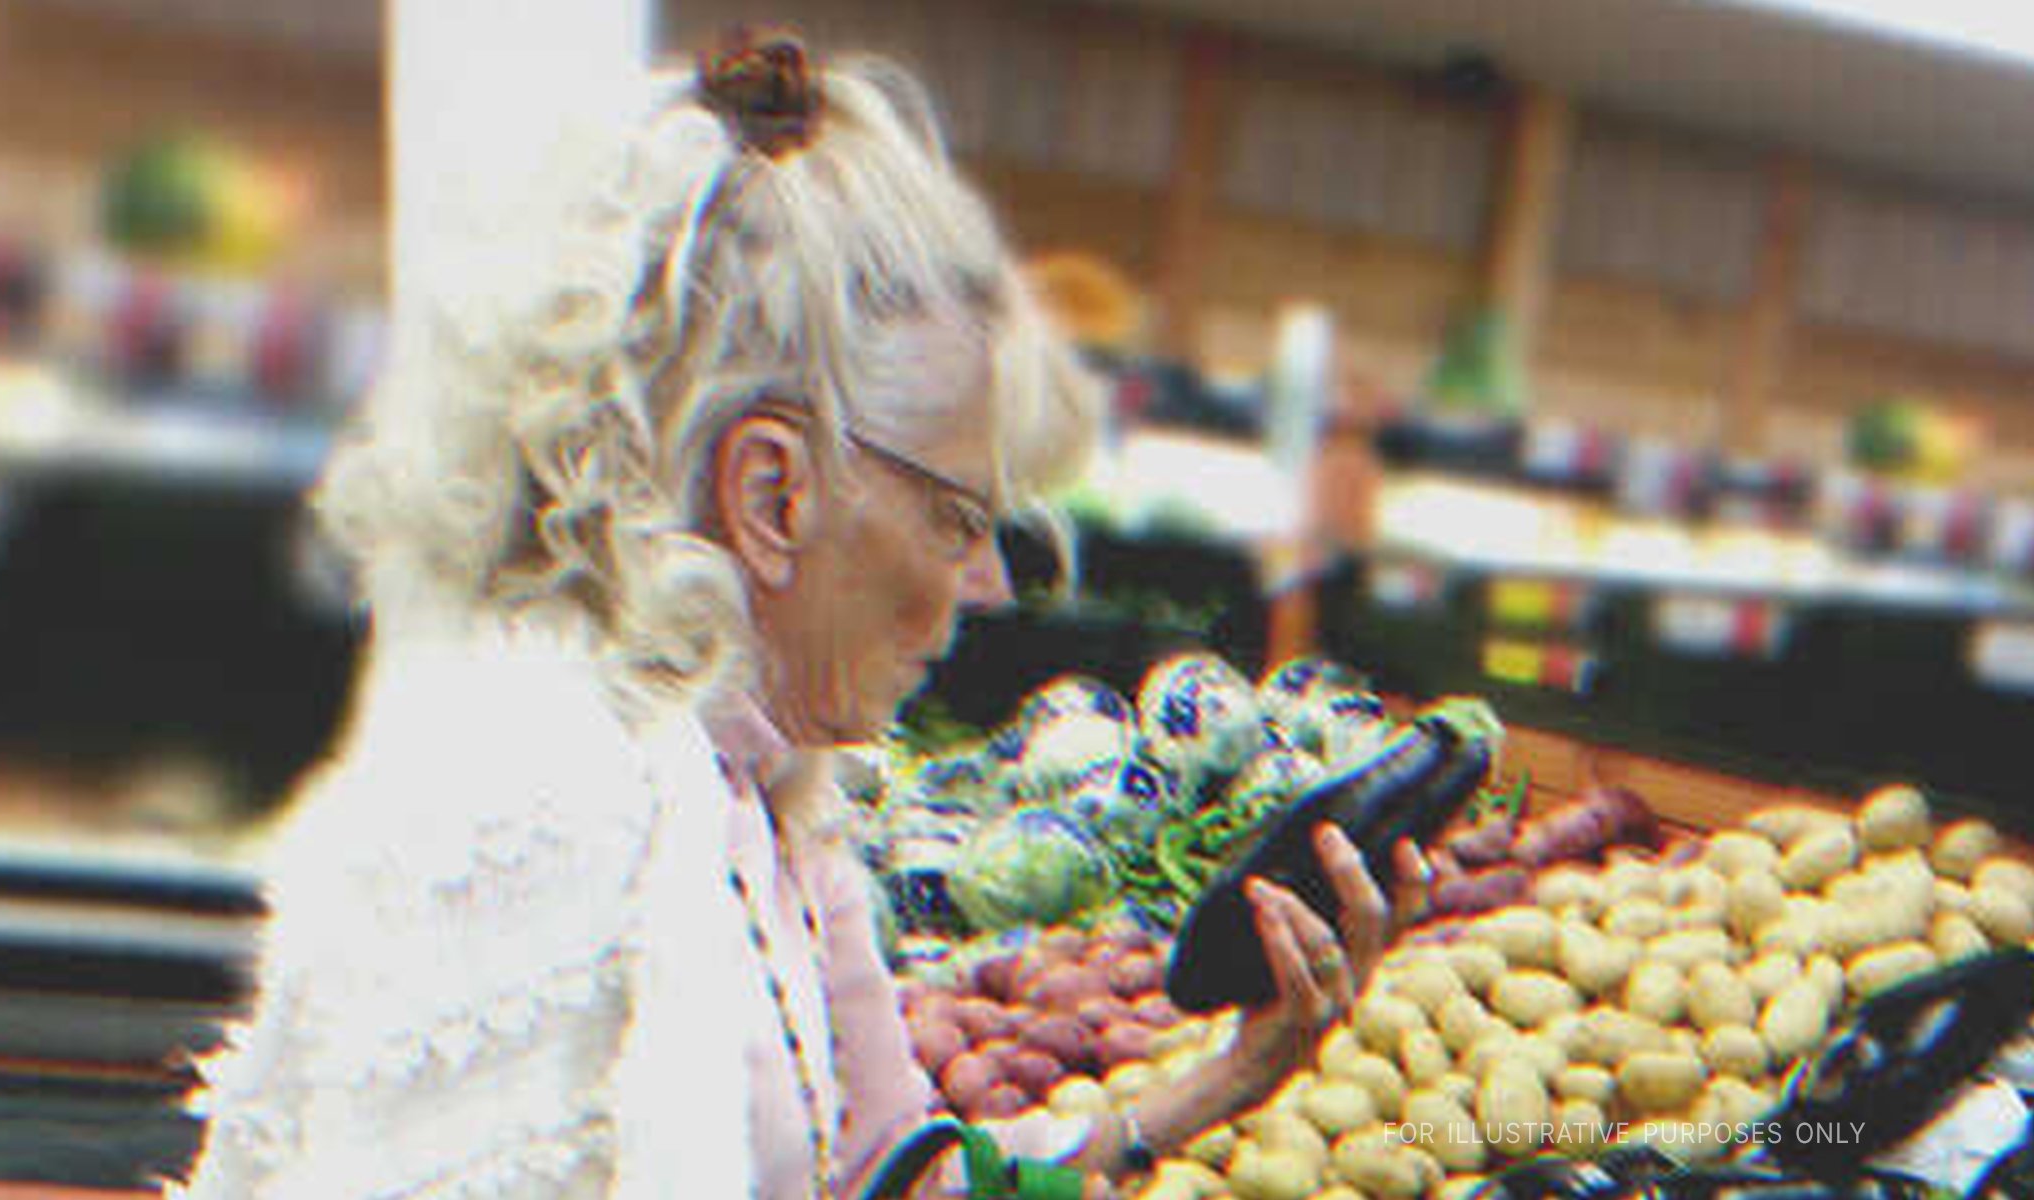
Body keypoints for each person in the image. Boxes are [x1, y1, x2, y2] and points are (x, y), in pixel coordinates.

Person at [167, 28, 1429, 1200]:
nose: (987, 583)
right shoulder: (543, 811)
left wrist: (1229, 1075)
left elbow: (895, 1176)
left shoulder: (758, 797)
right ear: (774, 490)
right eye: (956, 516)